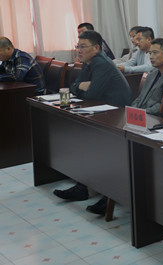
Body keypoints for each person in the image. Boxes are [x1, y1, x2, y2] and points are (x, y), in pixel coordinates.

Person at [54, 30, 132, 211]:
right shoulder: (88, 62)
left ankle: (103, 192)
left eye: (83, 46)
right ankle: (85, 187)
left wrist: (82, 87)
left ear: (96, 48)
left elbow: (92, 93)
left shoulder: (101, 63)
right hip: (101, 111)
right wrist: (81, 86)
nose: (78, 50)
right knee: (83, 141)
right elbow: (74, 87)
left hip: (117, 115)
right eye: (77, 46)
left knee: (93, 145)